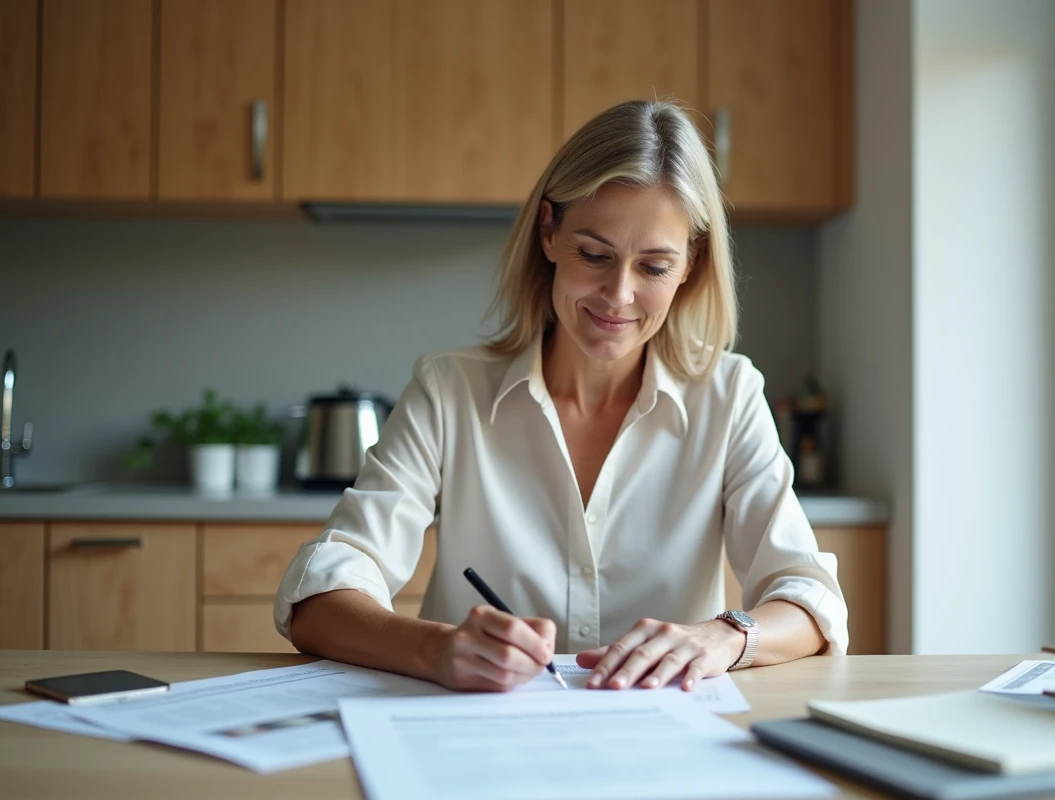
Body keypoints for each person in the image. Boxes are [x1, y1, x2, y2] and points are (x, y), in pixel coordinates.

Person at [275, 99, 848, 694]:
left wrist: (725, 637)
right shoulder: (448, 393)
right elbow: (319, 597)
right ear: (549, 231)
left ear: (690, 265)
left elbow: (810, 600)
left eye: (653, 267)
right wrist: (436, 648)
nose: (618, 295)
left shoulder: (729, 396)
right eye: (594, 255)